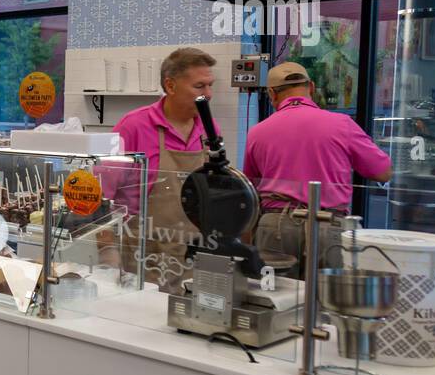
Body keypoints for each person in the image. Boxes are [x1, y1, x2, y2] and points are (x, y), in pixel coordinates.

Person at [242, 62, 391, 277]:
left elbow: (250, 189)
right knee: (326, 304)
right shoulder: (342, 124)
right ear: (311, 87)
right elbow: (382, 172)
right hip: (328, 225)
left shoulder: (257, 132)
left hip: (275, 227)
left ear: (272, 93)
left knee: (276, 300)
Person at [102, 47, 220, 292]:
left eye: (211, 85)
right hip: (143, 255)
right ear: (171, 85)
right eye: (199, 86)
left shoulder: (209, 129)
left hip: (192, 252)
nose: (208, 94)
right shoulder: (133, 126)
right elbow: (101, 197)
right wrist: (108, 252)